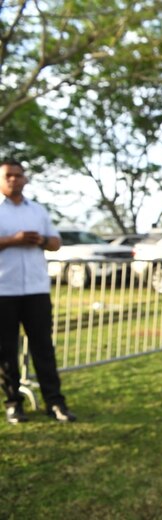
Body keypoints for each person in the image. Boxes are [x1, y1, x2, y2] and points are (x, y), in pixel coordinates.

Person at [0, 159, 76, 424]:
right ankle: (13, 404)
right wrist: (13, 240)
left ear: (25, 179)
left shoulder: (38, 210)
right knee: (6, 350)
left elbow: (56, 241)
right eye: (8, 175)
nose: (14, 179)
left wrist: (41, 240)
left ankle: (55, 402)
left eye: (19, 175)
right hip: (3, 290)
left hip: (36, 289)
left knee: (44, 347)